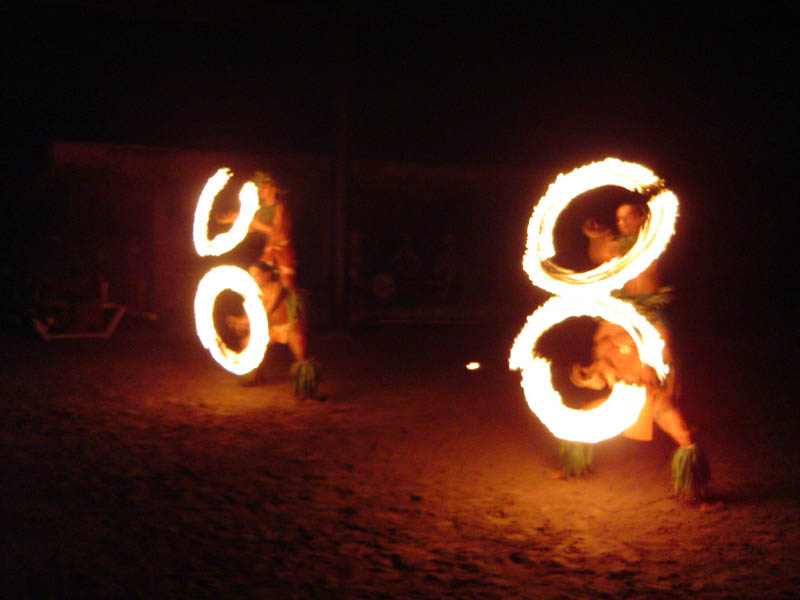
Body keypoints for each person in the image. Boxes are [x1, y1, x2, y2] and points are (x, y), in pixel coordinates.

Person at [568, 202, 710, 502]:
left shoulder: (649, 244)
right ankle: (573, 464)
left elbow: (640, 257)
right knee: (601, 389)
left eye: (625, 218)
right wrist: (598, 237)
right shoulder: (617, 249)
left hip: (647, 319)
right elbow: (600, 256)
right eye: (616, 219)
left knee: (665, 411)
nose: (620, 224)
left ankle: (694, 484)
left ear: (640, 218)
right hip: (620, 315)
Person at [218, 171, 319, 397]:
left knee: (282, 294)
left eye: (263, 187)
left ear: (273, 188)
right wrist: (236, 220)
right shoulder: (261, 212)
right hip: (269, 258)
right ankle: (252, 371)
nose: (260, 192)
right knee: (249, 334)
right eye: (259, 188)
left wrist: (250, 221)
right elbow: (251, 226)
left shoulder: (280, 208)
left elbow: (274, 232)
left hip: (282, 258)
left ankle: (306, 384)